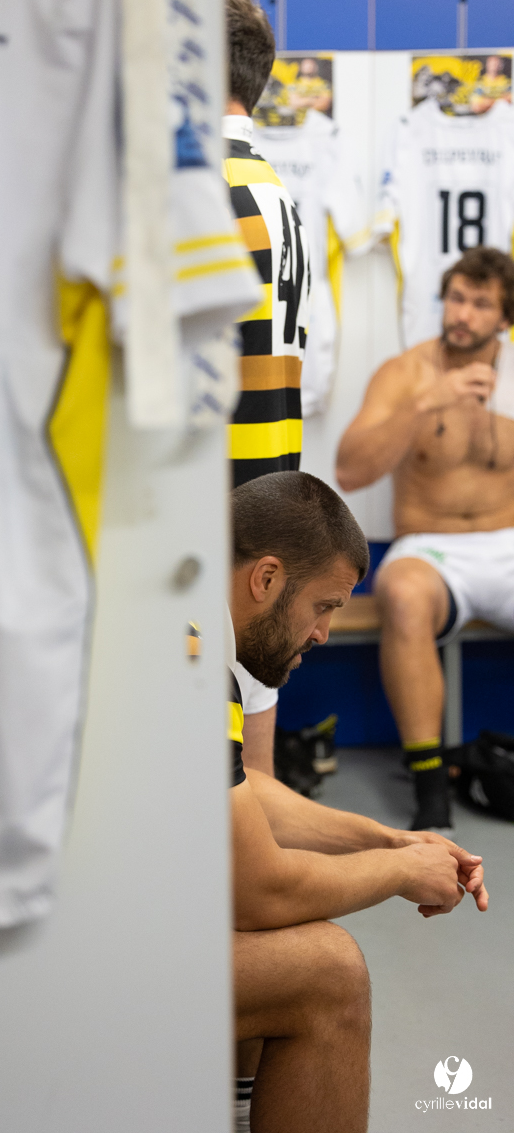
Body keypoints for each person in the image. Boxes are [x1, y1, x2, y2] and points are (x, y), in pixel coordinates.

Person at [228, 472, 488, 1133]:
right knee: (329, 973)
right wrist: (404, 875)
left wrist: (394, 842)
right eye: (324, 605)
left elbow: (253, 790)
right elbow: (261, 891)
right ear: (266, 579)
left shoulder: (193, 636)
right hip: (69, 959)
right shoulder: (189, 663)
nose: (323, 633)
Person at [336, 246, 514, 829]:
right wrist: (423, 407)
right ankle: (431, 789)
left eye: (480, 304)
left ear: (504, 318)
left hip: (506, 541)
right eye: (456, 298)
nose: (462, 314)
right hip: (431, 549)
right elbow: (349, 470)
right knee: (405, 596)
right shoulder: (406, 374)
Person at [222, 0, 312, 777]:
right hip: (265, 499)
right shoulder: (271, 184)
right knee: (254, 792)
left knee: (229, 815)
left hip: (214, 524)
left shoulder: (201, 183)